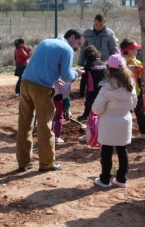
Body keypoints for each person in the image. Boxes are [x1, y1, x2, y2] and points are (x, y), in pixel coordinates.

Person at [16, 29, 84, 172]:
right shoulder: (67, 49)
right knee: (45, 126)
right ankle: (47, 163)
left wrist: (54, 78)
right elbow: (67, 75)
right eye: (78, 43)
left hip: (25, 84)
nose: (78, 47)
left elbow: (42, 66)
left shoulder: (45, 42)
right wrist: (76, 74)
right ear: (72, 37)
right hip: (42, 89)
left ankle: (23, 162)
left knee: (24, 125)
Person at [92, 53, 137, 188]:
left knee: (106, 151)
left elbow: (96, 108)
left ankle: (105, 179)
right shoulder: (131, 86)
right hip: (125, 120)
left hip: (109, 122)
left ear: (108, 69)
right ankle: (121, 179)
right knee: (123, 150)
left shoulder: (106, 88)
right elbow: (134, 105)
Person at [119, 38, 145, 139]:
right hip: (136, 91)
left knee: (125, 113)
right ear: (129, 50)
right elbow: (142, 78)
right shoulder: (137, 62)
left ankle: (126, 133)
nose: (137, 51)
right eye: (134, 49)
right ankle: (143, 132)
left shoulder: (119, 61)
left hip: (122, 92)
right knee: (139, 112)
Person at [77, 45, 106, 122]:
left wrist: (81, 93)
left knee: (90, 103)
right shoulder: (103, 64)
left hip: (92, 89)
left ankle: (87, 115)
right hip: (104, 88)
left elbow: (83, 80)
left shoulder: (88, 65)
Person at [52, 79, 72, 144]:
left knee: (49, 116)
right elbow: (66, 94)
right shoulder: (65, 75)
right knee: (59, 116)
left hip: (47, 95)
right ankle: (56, 137)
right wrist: (67, 108)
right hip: (58, 97)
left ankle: (49, 135)